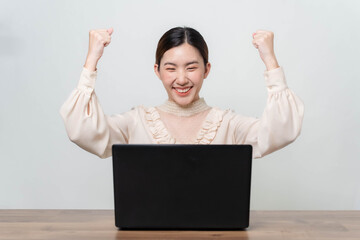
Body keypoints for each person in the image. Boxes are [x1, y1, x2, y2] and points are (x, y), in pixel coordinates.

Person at [59, 26, 304, 159]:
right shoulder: (136, 122)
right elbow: (83, 131)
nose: (182, 79)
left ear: (207, 69)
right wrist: (91, 60)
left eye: (191, 67)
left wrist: (270, 61)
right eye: (171, 68)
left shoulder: (229, 125)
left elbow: (282, 131)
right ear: (157, 71)